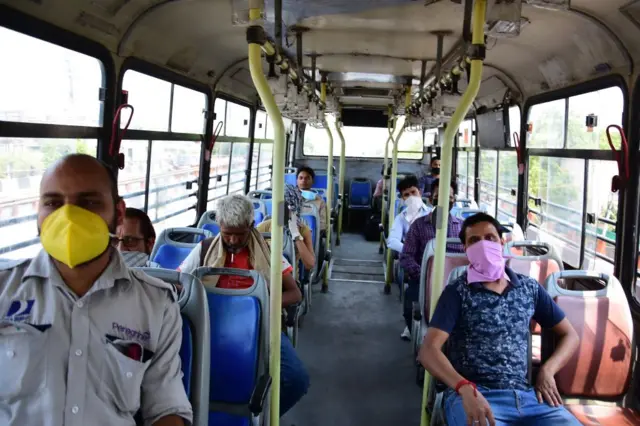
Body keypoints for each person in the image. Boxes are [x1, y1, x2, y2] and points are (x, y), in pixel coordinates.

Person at [0, 154, 191, 426]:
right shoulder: (4, 291)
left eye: (88, 203)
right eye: (53, 203)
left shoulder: (156, 305)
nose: (68, 218)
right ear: (38, 212)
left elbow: (165, 407)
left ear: (119, 214)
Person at [419, 213, 581, 426]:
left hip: (527, 397)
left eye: (490, 238)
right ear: (466, 250)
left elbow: (570, 335)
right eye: (474, 241)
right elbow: (428, 351)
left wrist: (547, 370)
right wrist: (464, 387)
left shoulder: (529, 288)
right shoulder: (457, 292)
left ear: (502, 242)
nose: (483, 245)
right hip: (473, 394)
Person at [177, 194, 309, 416]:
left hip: (260, 325)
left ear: (251, 225)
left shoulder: (268, 253)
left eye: (240, 234)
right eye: (227, 234)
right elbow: (179, 283)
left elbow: (294, 294)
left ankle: (260, 415)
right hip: (210, 325)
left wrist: (260, 305)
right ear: (219, 226)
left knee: (296, 380)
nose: (233, 241)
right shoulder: (205, 249)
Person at [399, 179, 463, 340]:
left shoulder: (463, 228)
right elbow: (406, 256)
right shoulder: (419, 226)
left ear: (454, 200)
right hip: (423, 278)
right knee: (410, 304)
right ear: (430, 199)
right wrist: (424, 276)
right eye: (438, 196)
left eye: (448, 197)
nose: (444, 200)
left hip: (457, 282)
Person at [257, 184, 316, 271]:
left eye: (286, 206)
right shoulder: (264, 226)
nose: (281, 210)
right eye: (279, 205)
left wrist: (295, 234)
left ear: (295, 207)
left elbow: (310, 264)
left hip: (290, 277)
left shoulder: (303, 230)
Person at [386, 175, 432, 253]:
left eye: (413, 192)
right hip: (411, 254)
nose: (411, 197)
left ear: (420, 193)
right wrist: (410, 250)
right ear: (403, 199)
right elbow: (392, 241)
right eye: (406, 195)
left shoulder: (432, 213)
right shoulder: (401, 218)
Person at [296, 166, 328, 232]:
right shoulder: (289, 197)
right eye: (301, 178)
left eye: (307, 178)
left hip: (311, 233)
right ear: (297, 181)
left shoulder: (320, 201)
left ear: (312, 181)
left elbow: (322, 224)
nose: (303, 180)